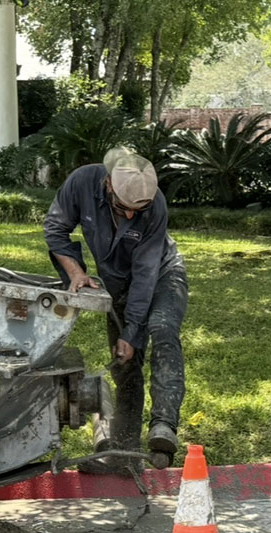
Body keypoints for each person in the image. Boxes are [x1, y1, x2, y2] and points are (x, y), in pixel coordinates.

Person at [44, 148, 188, 470]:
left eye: (141, 210)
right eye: (125, 209)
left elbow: (146, 273)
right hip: (116, 282)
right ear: (109, 184)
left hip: (163, 274)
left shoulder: (156, 205)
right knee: (125, 362)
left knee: (162, 329)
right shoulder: (81, 182)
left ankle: (163, 428)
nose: (132, 216)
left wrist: (133, 329)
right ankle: (124, 455)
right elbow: (55, 230)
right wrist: (76, 273)